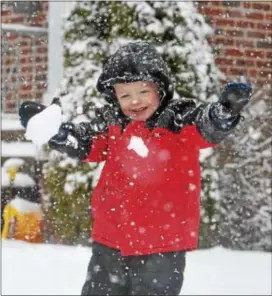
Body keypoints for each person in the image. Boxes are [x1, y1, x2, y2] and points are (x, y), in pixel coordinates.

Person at [19, 41, 252, 295]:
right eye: (125, 95)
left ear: (160, 89)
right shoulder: (113, 124)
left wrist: (224, 113)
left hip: (161, 245)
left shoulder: (179, 120)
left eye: (143, 92)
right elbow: (86, 142)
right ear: (114, 97)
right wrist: (57, 131)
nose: (135, 101)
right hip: (110, 239)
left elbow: (207, 126)